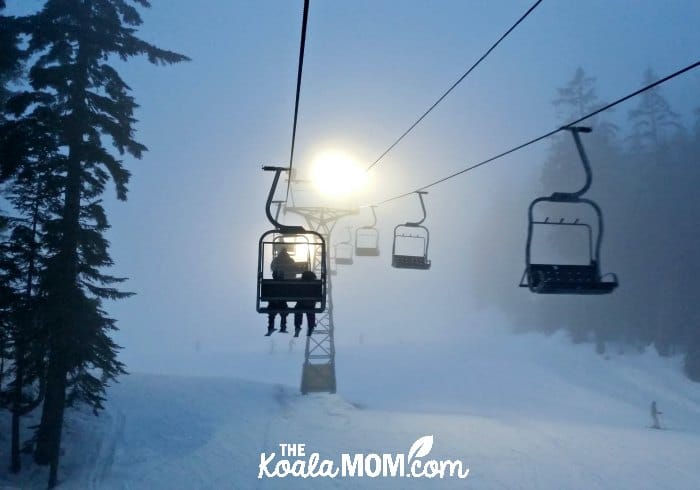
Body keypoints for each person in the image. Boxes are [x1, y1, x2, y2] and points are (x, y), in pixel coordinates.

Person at [266, 247, 296, 336]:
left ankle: (271, 326)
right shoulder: (290, 260)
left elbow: (272, 268)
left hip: (276, 288)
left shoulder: (276, 260)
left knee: (272, 306)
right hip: (286, 287)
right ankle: (283, 326)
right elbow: (294, 271)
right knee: (283, 306)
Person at [294, 270, 317, 337]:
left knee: (297, 309)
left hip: (300, 304)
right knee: (311, 310)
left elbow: (296, 294)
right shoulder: (315, 284)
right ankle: (311, 326)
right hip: (310, 304)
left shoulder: (299, 283)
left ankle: (297, 326)